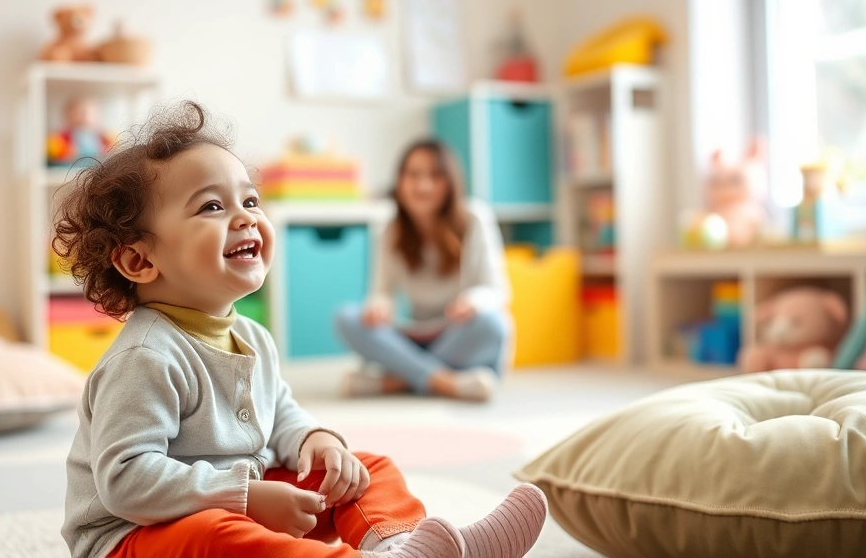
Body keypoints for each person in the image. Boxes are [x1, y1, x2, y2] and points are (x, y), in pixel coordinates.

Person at [54, 102, 547, 558]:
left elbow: (280, 414)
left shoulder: (252, 338)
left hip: (244, 497)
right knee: (220, 534)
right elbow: (125, 479)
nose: (246, 218)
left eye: (250, 200)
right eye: (211, 207)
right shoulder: (145, 356)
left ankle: (400, 546)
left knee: (363, 468)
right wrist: (245, 498)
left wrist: (316, 441)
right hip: (136, 537)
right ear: (140, 259)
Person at [336, 140, 510, 401]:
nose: (423, 185)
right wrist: (378, 305)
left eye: (435, 176)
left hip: (459, 333)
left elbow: (497, 291)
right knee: (347, 317)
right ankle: (445, 381)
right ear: (400, 181)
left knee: (494, 323)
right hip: (416, 335)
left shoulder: (475, 218)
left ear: (449, 183)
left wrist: (474, 301)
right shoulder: (389, 230)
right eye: (413, 175)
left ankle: (396, 381)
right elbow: (380, 293)